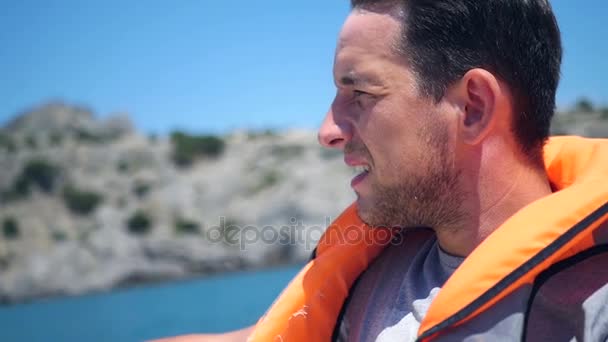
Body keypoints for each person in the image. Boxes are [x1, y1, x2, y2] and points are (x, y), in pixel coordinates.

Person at [154, 0, 608, 341]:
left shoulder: (593, 310)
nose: (327, 131)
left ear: (472, 106)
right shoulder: (370, 279)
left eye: (361, 94)